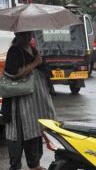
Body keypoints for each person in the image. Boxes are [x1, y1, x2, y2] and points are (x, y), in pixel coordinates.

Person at [2, 31, 56, 170]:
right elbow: (14, 74)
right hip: (21, 101)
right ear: (18, 35)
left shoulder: (32, 49)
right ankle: (16, 165)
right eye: (25, 35)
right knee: (20, 133)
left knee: (36, 131)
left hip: (36, 101)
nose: (28, 37)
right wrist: (35, 63)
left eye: (30, 35)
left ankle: (34, 164)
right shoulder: (14, 51)